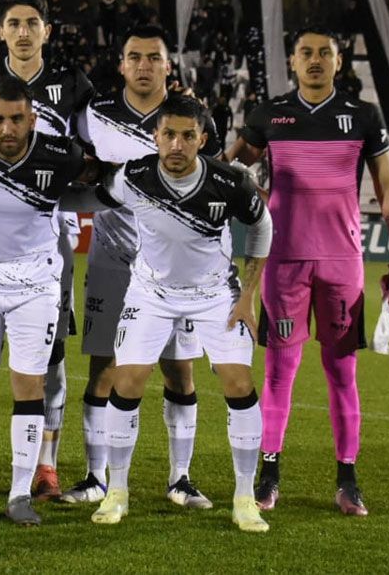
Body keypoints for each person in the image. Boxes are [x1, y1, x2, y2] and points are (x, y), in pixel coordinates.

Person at [227, 25, 389, 517]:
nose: (315, 60)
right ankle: (268, 476)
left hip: (342, 263)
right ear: (292, 62)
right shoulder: (268, 115)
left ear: (339, 62)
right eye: (305, 53)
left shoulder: (362, 116)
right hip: (282, 261)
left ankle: (347, 480)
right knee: (279, 372)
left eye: (325, 53)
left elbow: (387, 185)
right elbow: (228, 170)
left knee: (342, 373)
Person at [62, 93, 273, 532]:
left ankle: (244, 497)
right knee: (127, 380)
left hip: (215, 295)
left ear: (202, 139)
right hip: (150, 293)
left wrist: (248, 294)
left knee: (239, 384)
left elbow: (261, 225)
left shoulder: (230, 182)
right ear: (155, 136)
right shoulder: (134, 177)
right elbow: (93, 198)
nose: (177, 145)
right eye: (169, 135)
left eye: (187, 136)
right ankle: (116, 492)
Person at [65, 26, 219, 509]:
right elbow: (78, 162)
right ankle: (94, 476)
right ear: (122, 64)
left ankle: (180, 478)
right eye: (136, 56)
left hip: (175, 264)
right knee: (104, 367)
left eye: (154, 57)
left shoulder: (186, 117)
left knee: (178, 369)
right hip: (113, 259)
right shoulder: (95, 116)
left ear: (168, 66)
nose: (145, 65)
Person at [0, 0, 95, 500]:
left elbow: (88, 153)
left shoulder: (72, 83)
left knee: (49, 356)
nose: (24, 31)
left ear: (47, 31)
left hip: (45, 232)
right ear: (1, 31)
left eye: (33, 22)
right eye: (14, 23)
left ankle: (46, 464)